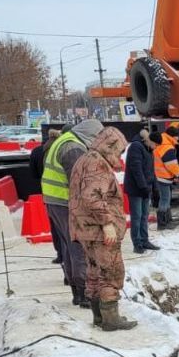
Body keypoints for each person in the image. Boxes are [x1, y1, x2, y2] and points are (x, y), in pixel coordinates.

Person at [69, 127, 137, 331]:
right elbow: (93, 197)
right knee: (111, 271)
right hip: (98, 230)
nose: (120, 155)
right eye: (119, 150)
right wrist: (108, 224)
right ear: (110, 146)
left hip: (84, 228)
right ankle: (111, 319)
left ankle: (98, 316)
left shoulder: (84, 159)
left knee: (94, 271)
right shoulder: (97, 164)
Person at [42, 119, 104, 308]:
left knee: (68, 246)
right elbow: (78, 184)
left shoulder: (63, 140)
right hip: (65, 202)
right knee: (79, 245)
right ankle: (84, 292)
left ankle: (77, 292)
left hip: (54, 200)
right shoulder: (74, 148)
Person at [30, 128, 62, 265]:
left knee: (55, 225)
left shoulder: (37, 152)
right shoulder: (61, 149)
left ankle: (60, 254)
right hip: (65, 194)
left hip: (48, 193)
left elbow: (34, 174)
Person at [125, 130, 160, 253]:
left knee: (144, 216)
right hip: (136, 189)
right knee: (137, 216)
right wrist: (143, 187)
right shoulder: (136, 147)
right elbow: (136, 169)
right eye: (156, 145)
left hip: (146, 189)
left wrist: (155, 188)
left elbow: (151, 171)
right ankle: (137, 243)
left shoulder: (149, 150)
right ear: (151, 141)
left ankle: (144, 240)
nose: (156, 148)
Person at [151, 130, 179, 228]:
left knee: (166, 198)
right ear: (172, 136)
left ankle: (167, 220)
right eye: (177, 136)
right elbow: (172, 165)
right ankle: (163, 223)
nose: (178, 138)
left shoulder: (163, 144)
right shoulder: (167, 147)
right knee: (165, 199)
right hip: (164, 177)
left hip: (161, 176)